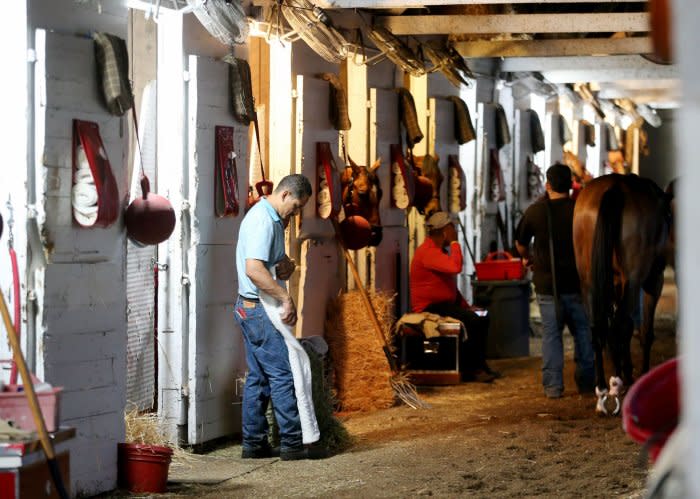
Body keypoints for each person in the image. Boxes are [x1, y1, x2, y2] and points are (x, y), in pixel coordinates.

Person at [235, 174, 323, 460]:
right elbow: (254, 270)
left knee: (259, 377)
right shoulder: (263, 220)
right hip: (258, 308)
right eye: (296, 206)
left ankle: (254, 443)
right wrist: (285, 297)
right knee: (283, 374)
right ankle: (293, 444)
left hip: (250, 308)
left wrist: (286, 265)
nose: (295, 213)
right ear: (285, 194)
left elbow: (271, 265)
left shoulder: (272, 219)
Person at [515, 163, 595, 399]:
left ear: (547, 184)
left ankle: (553, 387)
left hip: (548, 285)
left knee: (551, 335)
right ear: (571, 185)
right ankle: (587, 383)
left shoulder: (535, 212)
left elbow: (520, 244)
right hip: (578, 284)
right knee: (583, 333)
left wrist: (527, 258)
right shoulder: (581, 210)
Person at [409, 211, 498, 383]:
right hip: (430, 306)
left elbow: (448, 287)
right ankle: (472, 369)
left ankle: (480, 364)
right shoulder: (428, 252)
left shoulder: (438, 251)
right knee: (471, 321)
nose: (455, 232)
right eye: (452, 229)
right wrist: (455, 242)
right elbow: (455, 267)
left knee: (482, 316)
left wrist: (465, 305)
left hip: (443, 304)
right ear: (444, 231)